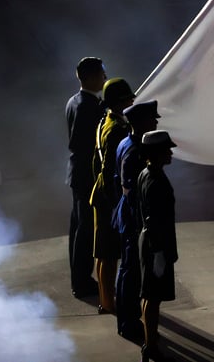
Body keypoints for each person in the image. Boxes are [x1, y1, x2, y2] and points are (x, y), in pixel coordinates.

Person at [113, 100, 160, 342]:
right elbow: (131, 190)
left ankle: (126, 320)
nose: (155, 122)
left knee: (127, 271)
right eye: (152, 120)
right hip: (132, 217)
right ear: (141, 122)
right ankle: (128, 323)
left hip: (126, 215)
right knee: (130, 273)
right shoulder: (135, 151)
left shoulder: (126, 143)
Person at [90, 77, 135, 315]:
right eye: (128, 98)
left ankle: (106, 298)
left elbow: (96, 163)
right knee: (108, 254)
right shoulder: (117, 129)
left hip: (100, 193)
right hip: (109, 196)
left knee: (103, 252)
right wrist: (118, 201)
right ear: (119, 102)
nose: (131, 101)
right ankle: (108, 302)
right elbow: (110, 169)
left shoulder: (104, 123)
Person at [65, 56, 107, 298]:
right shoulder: (87, 106)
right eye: (102, 73)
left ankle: (78, 278)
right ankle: (81, 282)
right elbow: (83, 145)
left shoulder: (75, 101)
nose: (104, 77)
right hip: (85, 175)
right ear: (90, 76)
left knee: (78, 228)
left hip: (77, 174)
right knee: (85, 230)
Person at [136, 130, 179, 362]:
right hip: (155, 245)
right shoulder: (155, 180)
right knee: (152, 298)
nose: (170, 152)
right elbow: (154, 219)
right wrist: (160, 252)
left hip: (149, 242)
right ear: (156, 153)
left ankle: (149, 339)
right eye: (166, 149)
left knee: (148, 296)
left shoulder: (146, 174)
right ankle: (150, 344)